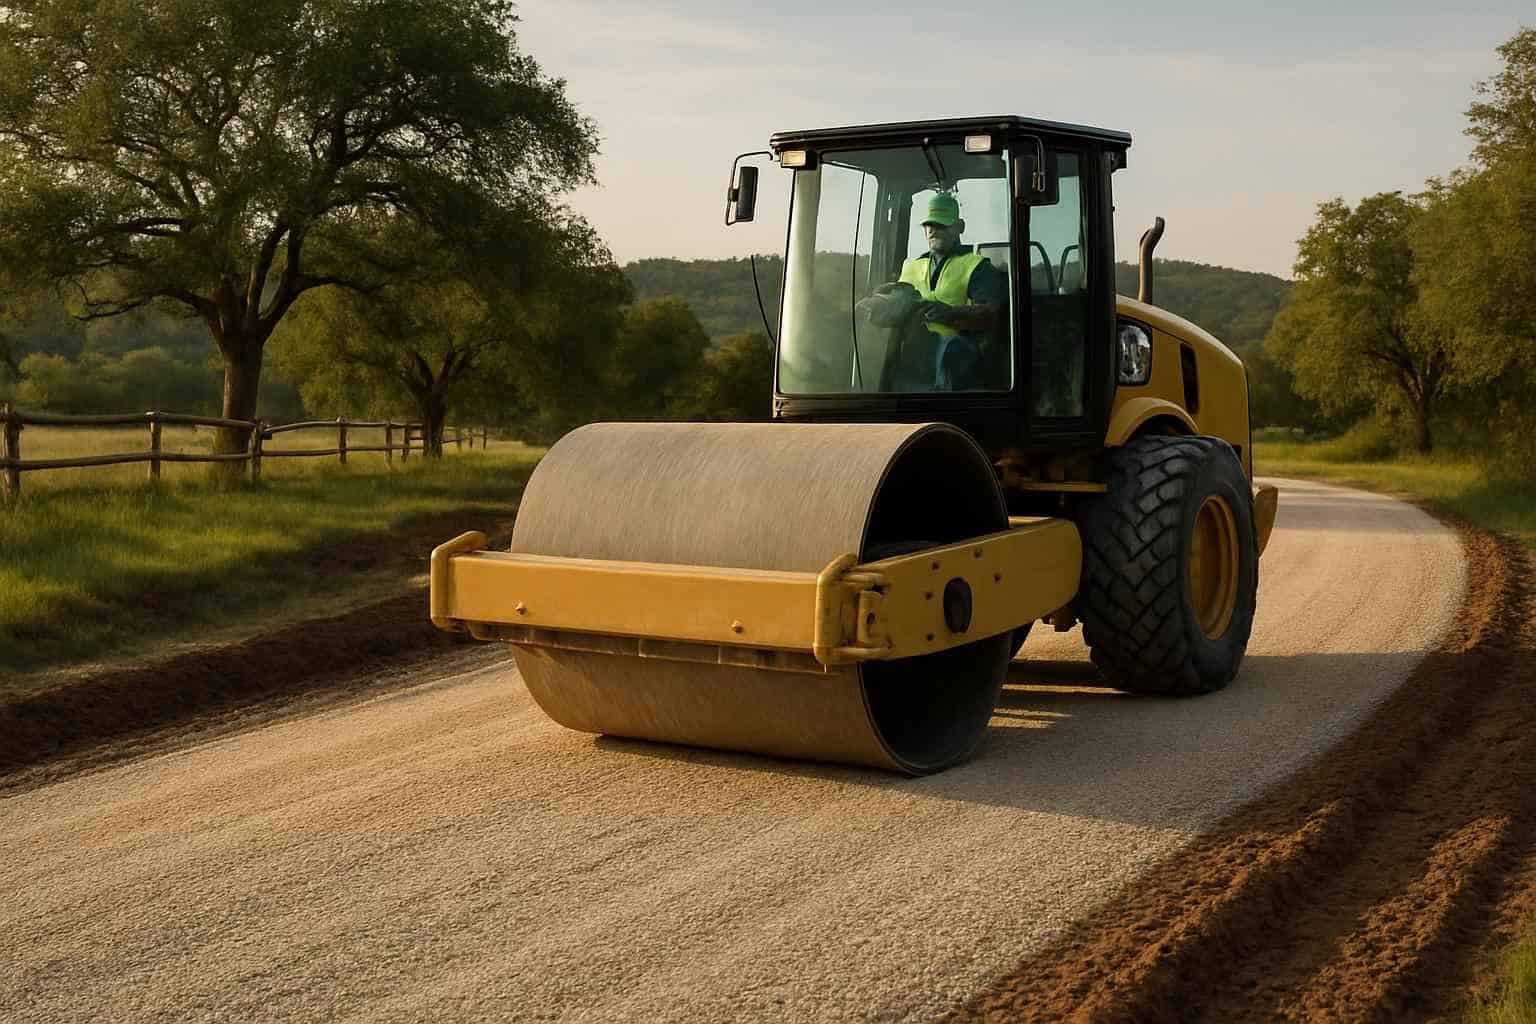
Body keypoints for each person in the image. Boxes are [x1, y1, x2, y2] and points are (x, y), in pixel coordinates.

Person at [890, 192, 1007, 389]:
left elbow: (991, 314)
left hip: (956, 365)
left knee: (953, 350)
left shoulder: (976, 266)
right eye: (929, 224)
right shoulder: (911, 267)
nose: (934, 229)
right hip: (914, 358)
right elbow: (894, 304)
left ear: (959, 227)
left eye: (942, 224)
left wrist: (951, 313)